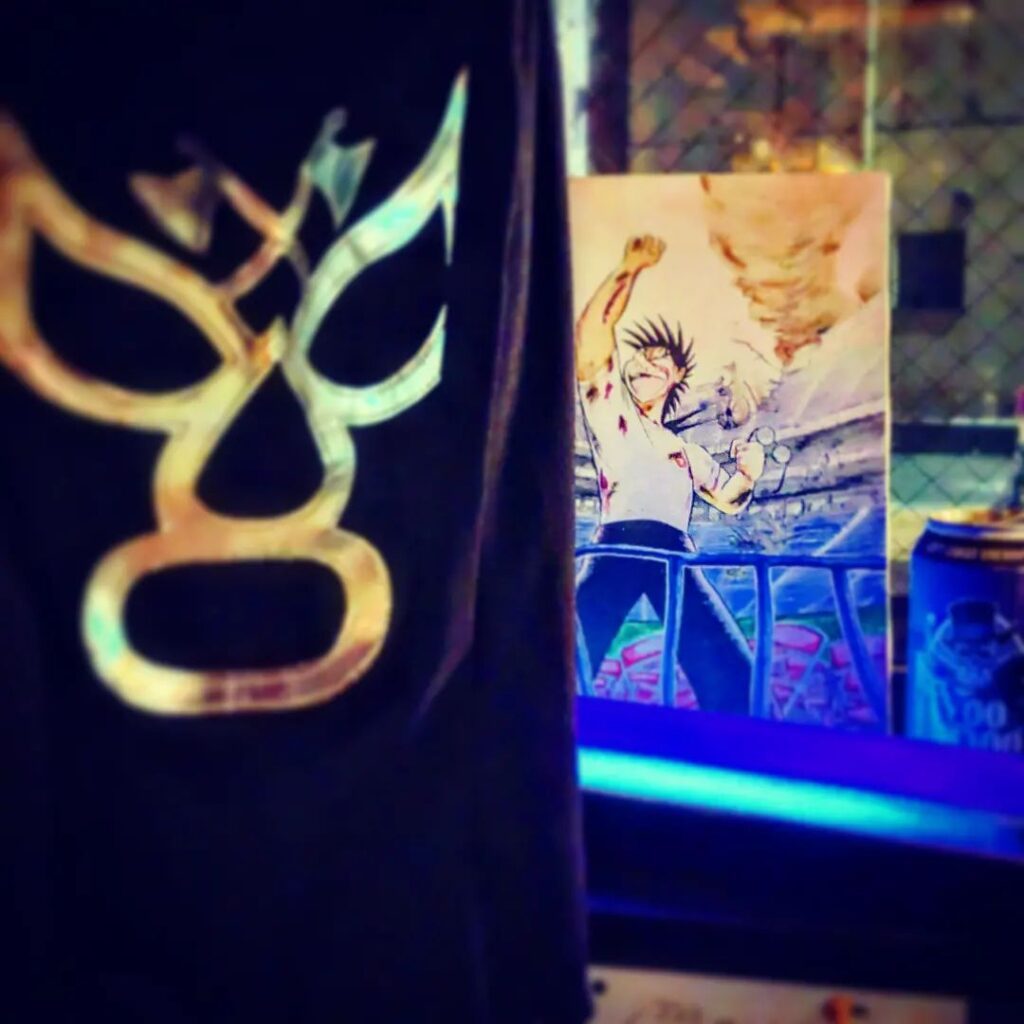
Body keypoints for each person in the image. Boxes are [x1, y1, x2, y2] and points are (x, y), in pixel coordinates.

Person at [575, 234, 765, 713]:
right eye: (640, 355)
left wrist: (748, 475)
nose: (645, 362)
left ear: (677, 375)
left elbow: (727, 497)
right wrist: (628, 269)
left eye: (659, 358)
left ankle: (731, 750)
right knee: (569, 655)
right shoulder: (611, 411)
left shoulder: (685, 451)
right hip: (617, 546)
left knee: (731, 674)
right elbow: (593, 337)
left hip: (674, 552)